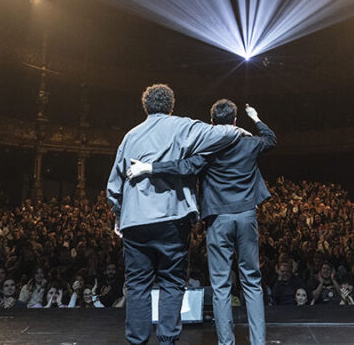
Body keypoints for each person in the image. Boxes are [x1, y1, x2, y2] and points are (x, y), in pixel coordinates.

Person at [128, 100, 274, 345]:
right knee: (252, 281)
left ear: (212, 123)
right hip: (247, 216)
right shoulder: (250, 142)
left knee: (220, 286)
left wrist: (149, 168)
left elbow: (183, 167)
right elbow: (271, 139)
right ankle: (258, 342)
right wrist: (256, 117)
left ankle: (226, 343)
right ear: (236, 121)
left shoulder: (209, 149)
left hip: (218, 219)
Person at [106, 84, 242, 345]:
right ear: (171, 106)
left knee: (137, 284)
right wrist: (239, 129)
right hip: (172, 218)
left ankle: (137, 341)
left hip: (135, 221)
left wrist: (118, 214)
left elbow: (114, 185)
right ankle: (167, 340)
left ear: (145, 106)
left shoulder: (130, 136)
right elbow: (222, 134)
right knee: (171, 281)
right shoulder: (183, 126)